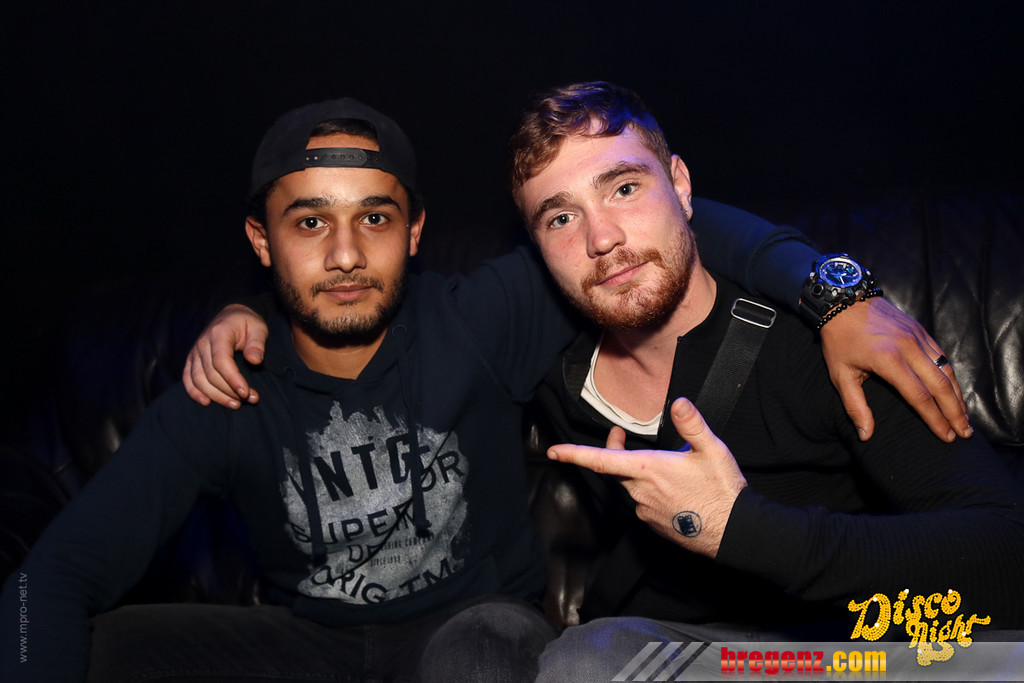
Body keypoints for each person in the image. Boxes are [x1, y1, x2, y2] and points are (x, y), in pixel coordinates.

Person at [1, 97, 579, 683]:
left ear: (413, 231)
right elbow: (46, 581)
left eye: (374, 219)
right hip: (311, 645)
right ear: (261, 240)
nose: (346, 256)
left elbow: (612, 246)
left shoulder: (481, 321)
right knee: (105, 650)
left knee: (481, 656)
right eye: (310, 223)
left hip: (472, 625)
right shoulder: (228, 383)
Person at [500, 82, 1024, 679]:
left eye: (624, 188)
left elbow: (1010, 555)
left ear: (680, 186)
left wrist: (739, 527)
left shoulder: (828, 347)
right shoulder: (557, 375)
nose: (602, 239)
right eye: (562, 217)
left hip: (851, 651)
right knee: (580, 661)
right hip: (687, 652)